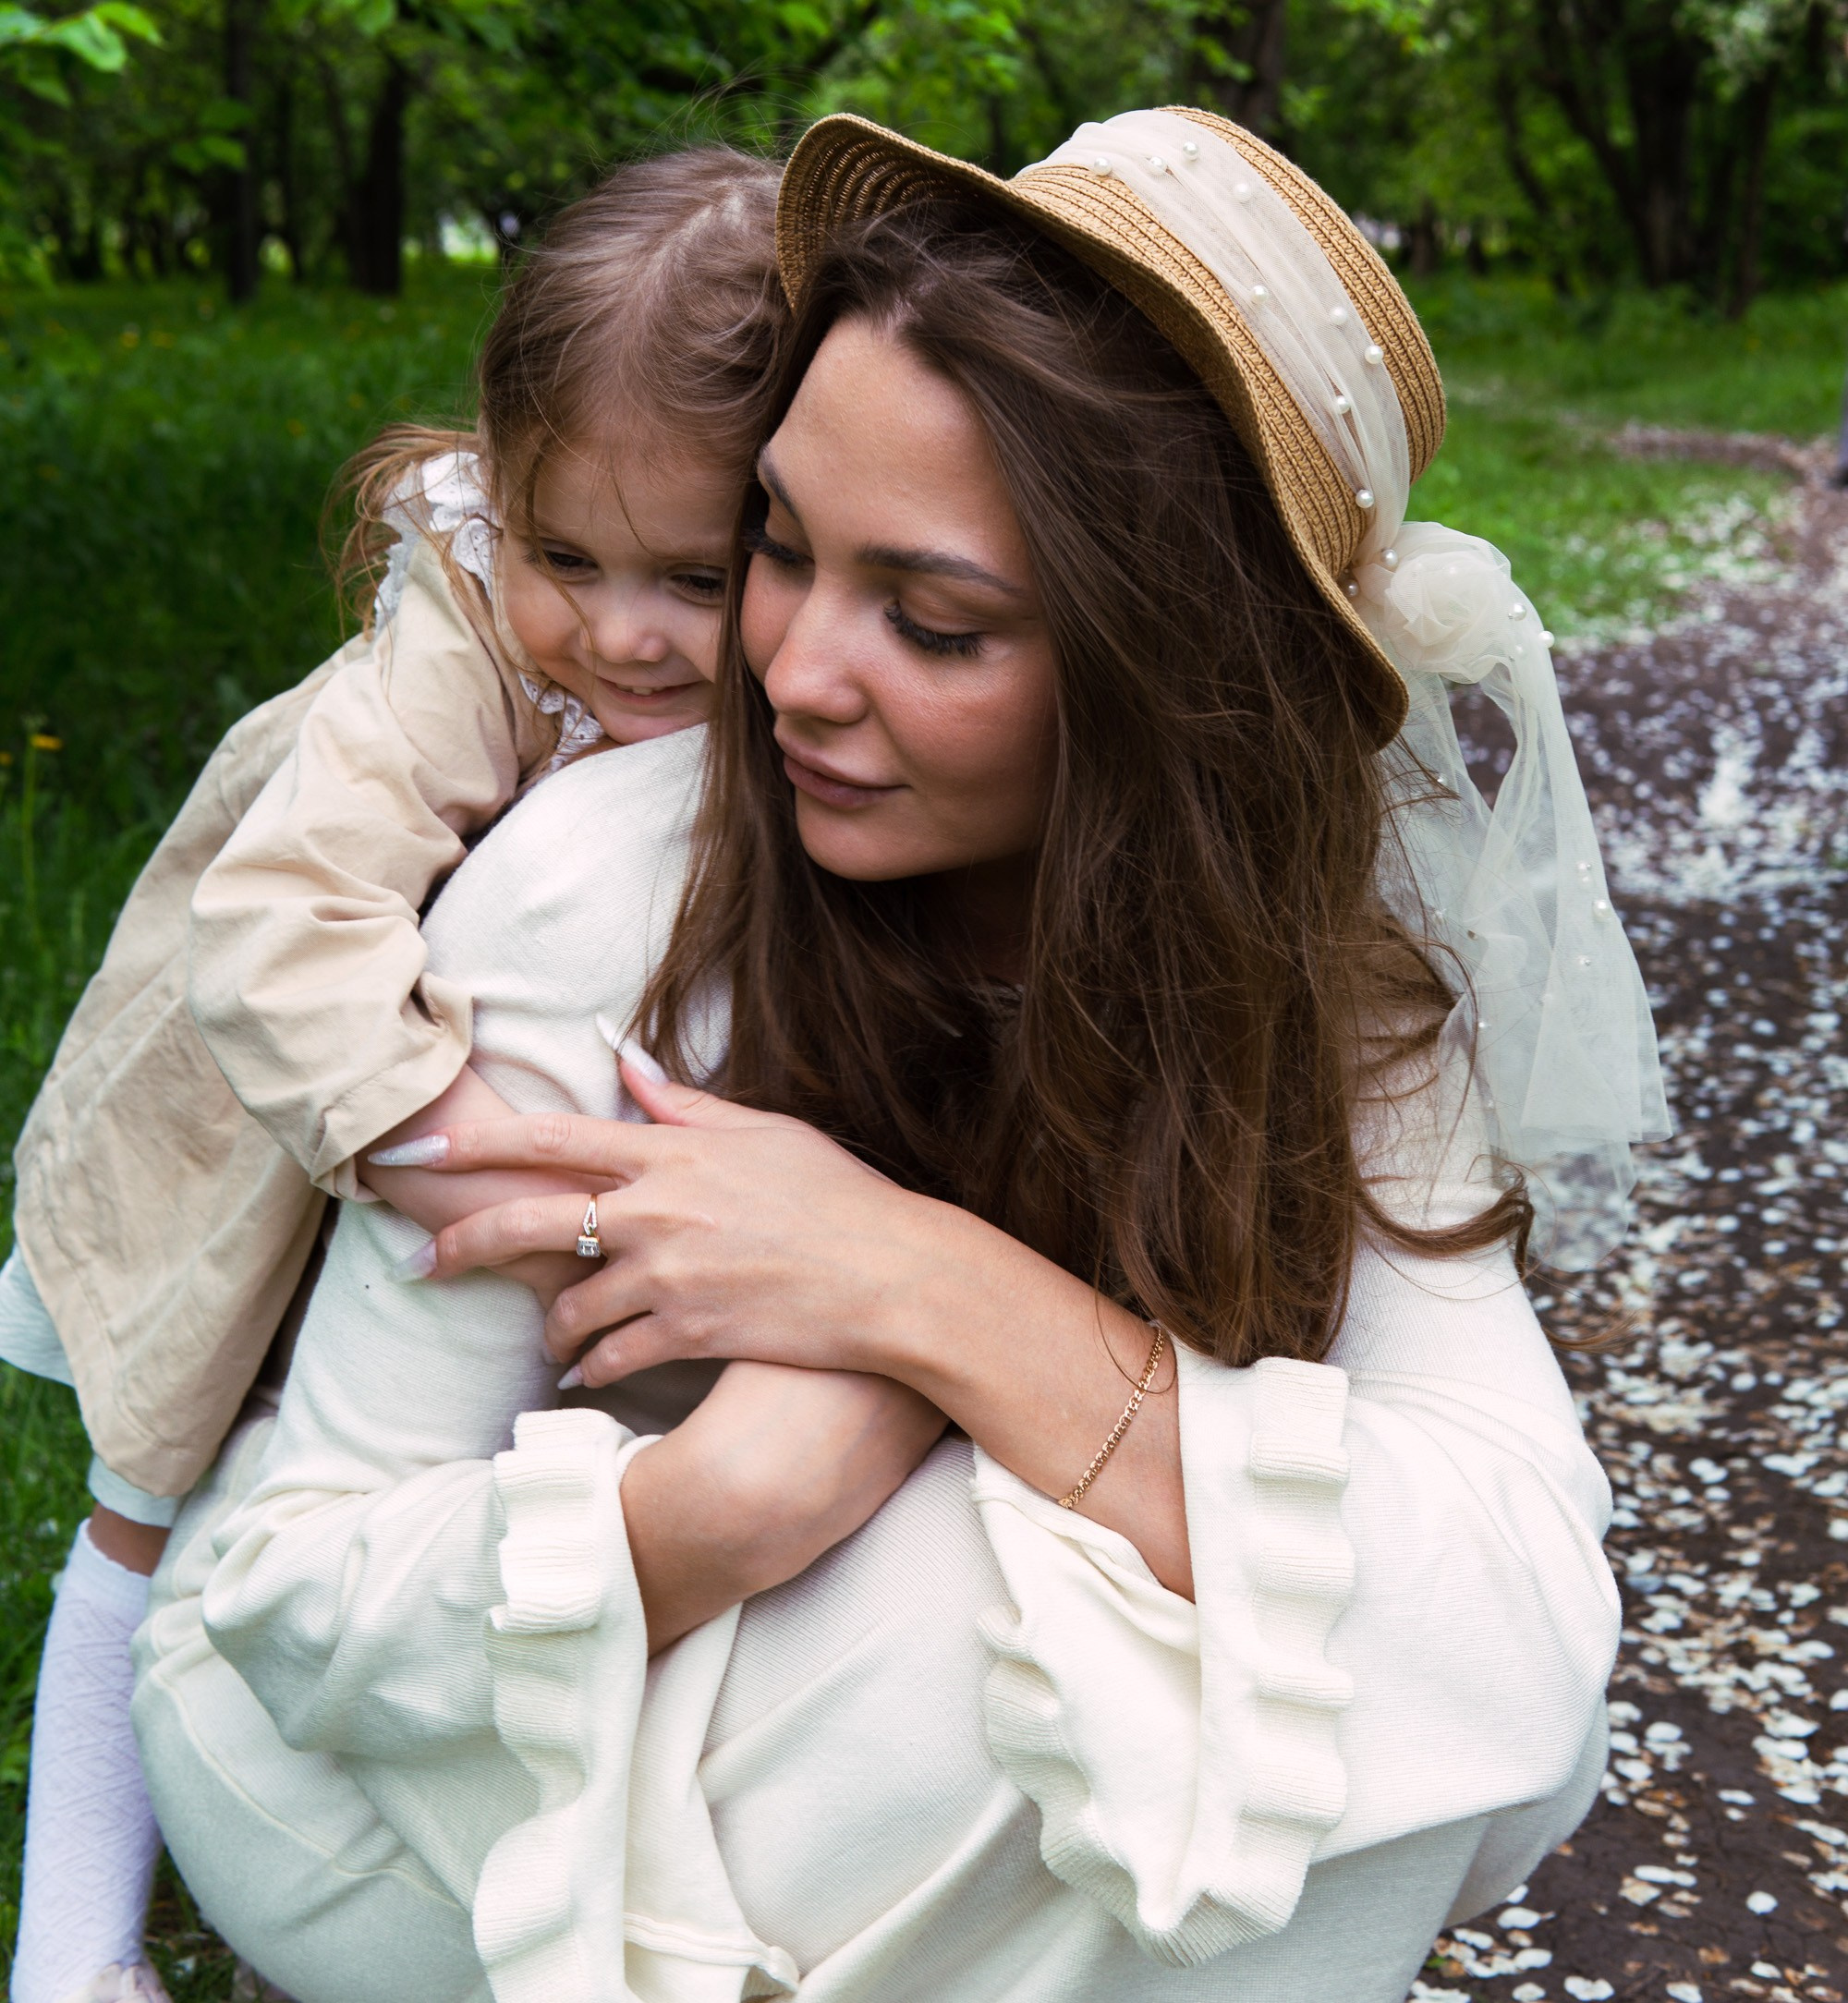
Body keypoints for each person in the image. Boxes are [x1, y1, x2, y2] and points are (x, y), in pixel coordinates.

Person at [131, 104, 1666, 2003]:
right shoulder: (613, 890)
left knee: (1378, 1707)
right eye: (772, 544)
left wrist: (922, 1295)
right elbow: (294, 1603)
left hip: (801, 1761)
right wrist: (710, 1508)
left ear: (1168, 672)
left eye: (928, 619)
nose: (788, 675)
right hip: (404, 1770)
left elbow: (1527, 1632)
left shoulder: (1326, 992)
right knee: (1087, 1631)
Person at [1, 144, 800, 2003]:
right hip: (282, 1095)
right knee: (157, 1482)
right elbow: (282, 925)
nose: (621, 631)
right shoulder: (456, 639)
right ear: (495, 495)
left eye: (695, 572)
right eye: (565, 556)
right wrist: (440, 1147)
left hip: (450, 1059)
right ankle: (69, 1951)